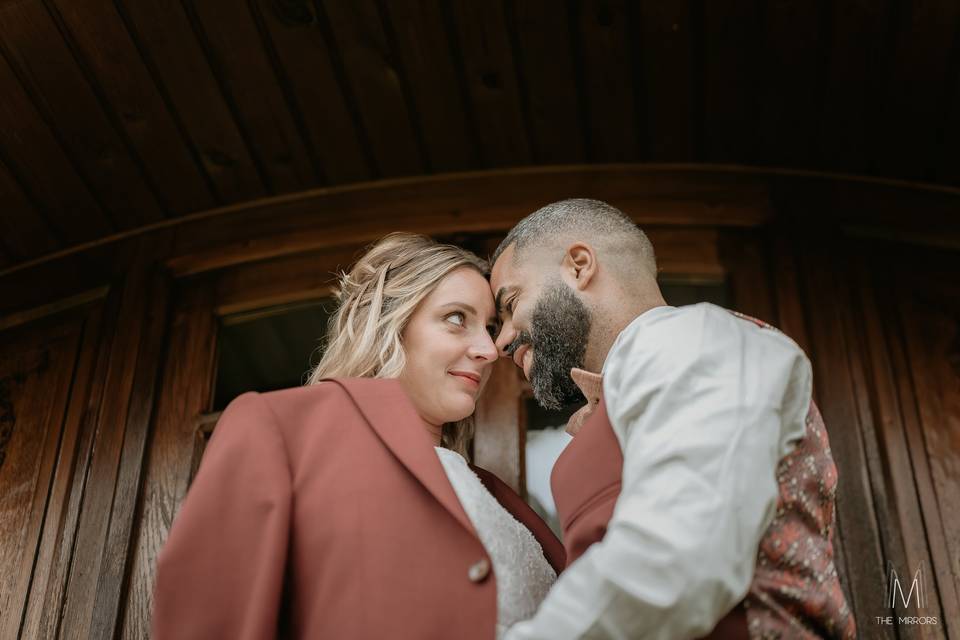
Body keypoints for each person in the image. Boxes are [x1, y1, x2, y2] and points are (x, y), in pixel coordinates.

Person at [152, 232, 564, 640]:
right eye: (457, 318)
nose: (489, 350)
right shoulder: (278, 428)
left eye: (490, 327)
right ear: (390, 321)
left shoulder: (494, 493)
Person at [489, 199, 856, 639]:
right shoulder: (625, 389)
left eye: (511, 303)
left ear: (579, 266)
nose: (501, 342)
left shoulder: (695, 340)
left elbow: (677, 559)